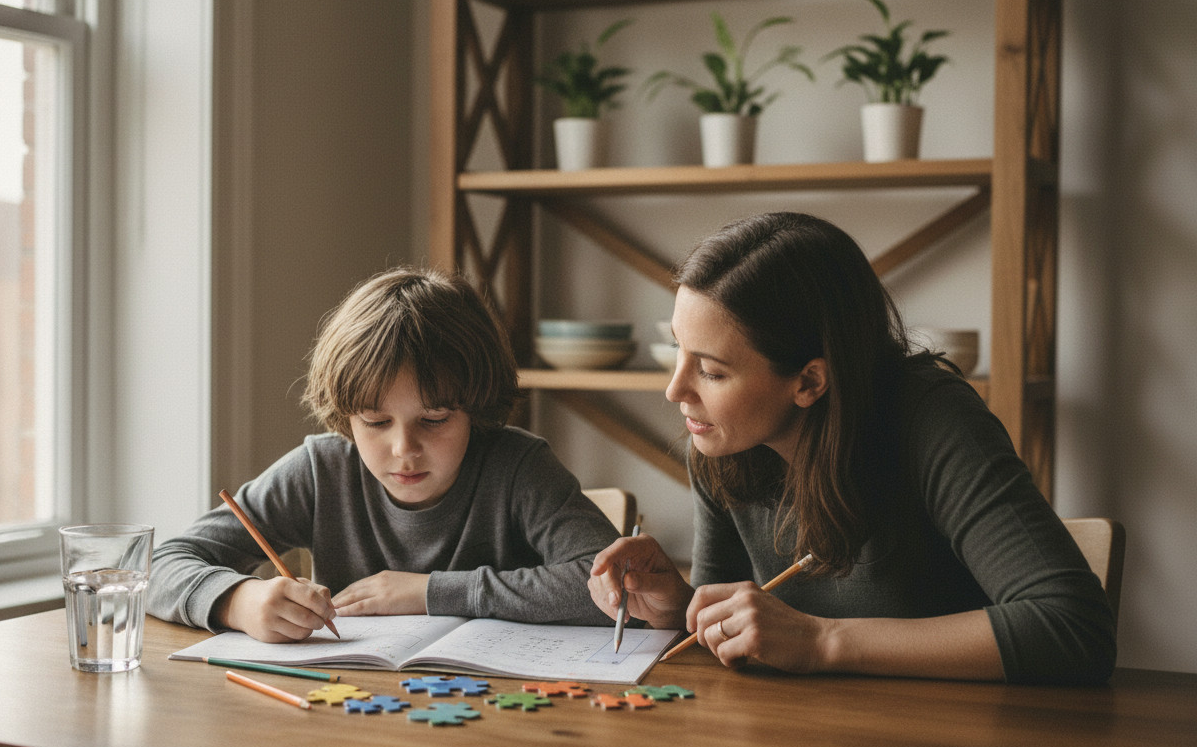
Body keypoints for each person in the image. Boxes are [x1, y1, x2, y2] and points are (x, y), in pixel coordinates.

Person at [588, 212, 1116, 685]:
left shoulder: (934, 420)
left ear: (809, 382)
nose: (674, 390)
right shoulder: (720, 440)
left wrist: (822, 641)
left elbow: (1073, 626)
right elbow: (738, 642)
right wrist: (679, 607)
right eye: (678, 350)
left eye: (710, 370)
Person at [149, 267, 622, 642]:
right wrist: (238, 601)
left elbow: (613, 587)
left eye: (434, 419)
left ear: (474, 410)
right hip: (349, 706)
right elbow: (161, 566)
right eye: (375, 422)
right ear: (347, 417)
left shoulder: (518, 467)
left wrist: (431, 592)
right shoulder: (322, 471)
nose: (403, 449)